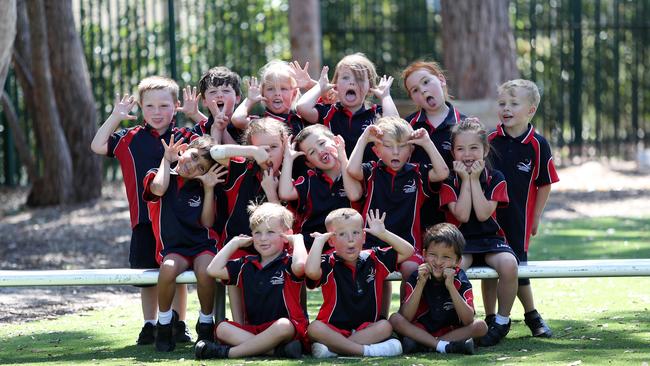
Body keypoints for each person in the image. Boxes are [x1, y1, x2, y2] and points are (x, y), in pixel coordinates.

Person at [90, 76, 213, 346]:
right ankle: (150, 324)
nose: (157, 112)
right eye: (150, 106)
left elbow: (212, 141)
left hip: (180, 222)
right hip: (145, 220)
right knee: (147, 275)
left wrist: (196, 114)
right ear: (141, 108)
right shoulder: (130, 138)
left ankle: (178, 322)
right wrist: (115, 116)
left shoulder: (186, 136)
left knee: (176, 274)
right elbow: (97, 145)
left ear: (176, 106)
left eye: (164, 106)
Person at [347, 116, 449, 314]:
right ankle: (378, 318)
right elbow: (352, 169)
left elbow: (443, 172)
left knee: (412, 270)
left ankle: (406, 318)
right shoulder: (372, 171)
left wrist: (427, 142)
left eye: (402, 146)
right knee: (371, 269)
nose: (396, 152)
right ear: (376, 150)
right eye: (388, 146)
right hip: (372, 244)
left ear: (411, 150)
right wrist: (364, 138)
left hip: (407, 246)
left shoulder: (417, 173)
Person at [486, 79, 560, 338]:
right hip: (488, 218)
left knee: (518, 270)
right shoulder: (490, 140)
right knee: (488, 270)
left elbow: (545, 184)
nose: (506, 108)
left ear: (531, 110)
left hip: (519, 220)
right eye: (502, 103)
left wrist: (536, 217)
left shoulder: (538, 144)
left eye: (513, 104)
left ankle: (531, 315)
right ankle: (489, 319)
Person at [142, 135, 226, 352]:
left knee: (207, 270)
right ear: (186, 149)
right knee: (168, 270)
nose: (193, 165)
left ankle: (206, 323)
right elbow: (158, 190)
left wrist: (208, 189)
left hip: (201, 245)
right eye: (194, 156)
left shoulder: (203, 186)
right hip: (174, 248)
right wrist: (167, 159)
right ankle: (164, 323)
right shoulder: (160, 176)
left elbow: (207, 223)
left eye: (201, 167)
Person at [439, 117, 518, 347]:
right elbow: (462, 216)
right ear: (453, 153)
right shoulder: (448, 181)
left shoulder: (496, 178)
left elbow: (483, 214)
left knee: (509, 265)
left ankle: (501, 321)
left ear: (485, 150)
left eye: (474, 148)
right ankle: (463, 322)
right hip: (460, 242)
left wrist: (474, 180)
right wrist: (465, 180)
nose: (467, 154)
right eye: (460, 149)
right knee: (453, 270)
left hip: (490, 239)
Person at [195, 202, 308, 360]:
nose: (263, 238)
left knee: (284, 326)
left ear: (286, 235)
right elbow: (212, 270)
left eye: (270, 232)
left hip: (287, 331)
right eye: (257, 233)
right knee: (221, 328)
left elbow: (301, 265)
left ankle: (227, 353)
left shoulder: (289, 263)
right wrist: (233, 243)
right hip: (253, 330)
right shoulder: (245, 264)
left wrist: (297, 240)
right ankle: (276, 351)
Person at [208, 117, 289, 323]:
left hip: (276, 244)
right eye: (260, 148)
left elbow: (286, 228)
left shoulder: (290, 174)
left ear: (285, 145)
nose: (267, 153)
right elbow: (213, 152)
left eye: (273, 147)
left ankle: (287, 321)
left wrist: (271, 192)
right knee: (236, 259)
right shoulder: (239, 168)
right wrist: (252, 153)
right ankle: (240, 323)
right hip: (240, 241)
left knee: (288, 260)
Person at [305, 208, 414, 358]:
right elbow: (311, 272)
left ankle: (335, 350)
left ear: (364, 237)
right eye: (342, 234)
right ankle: (367, 351)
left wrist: (383, 233)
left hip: (367, 329)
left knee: (385, 326)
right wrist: (318, 242)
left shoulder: (375, 258)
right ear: (331, 240)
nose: (350, 239)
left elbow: (408, 251)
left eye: (356, 233)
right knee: (314, 328)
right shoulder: (327, 263)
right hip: (333, 328)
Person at [389, 223, 488, 355]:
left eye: (446, 257)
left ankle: (426, 345)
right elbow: (406, 316)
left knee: (481, 326)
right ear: (424, 254)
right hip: (421, 329)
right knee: (395, 319)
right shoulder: (417, 275)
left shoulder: (460, 278)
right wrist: (420, 284)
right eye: (433, 254)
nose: (438, 262)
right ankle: (445, 346)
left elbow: (468, 320)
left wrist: (451, 286)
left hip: (451, 331)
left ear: (457, 261)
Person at [296, 53, 399, 160]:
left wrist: (385, 96)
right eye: (345, 77)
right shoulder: (328, 112)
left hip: (369, 174)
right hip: (336, 174)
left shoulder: (376, 114)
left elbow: (395, 126)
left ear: (370, 87)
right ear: (335, 85)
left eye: (359, 79)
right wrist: (320, 87)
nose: (352, 82)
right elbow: (302, 107)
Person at [402, 60, 466, 228]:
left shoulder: (465, 125)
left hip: (456, 212)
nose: (422, 90)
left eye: (426, 81)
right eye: (415, 90)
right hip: (418, 211)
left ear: (441, 80)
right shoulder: (408, 127)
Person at [278, 124, 363, 250]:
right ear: (309, 163)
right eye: (312, 152)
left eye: (322, 143)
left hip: (347, 246)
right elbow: (285, 193)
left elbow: (355, 195)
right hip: (313, 245)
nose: (320, 151)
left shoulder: (355, 171)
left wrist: (342, 155)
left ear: (336, 141)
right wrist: (288, 159)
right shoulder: (310, 179)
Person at [231, 60, 316, 136]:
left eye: (283, 89)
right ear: (262, 93)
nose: (277, 94)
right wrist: (250, 100)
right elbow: (237, 119)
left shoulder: (304, 118)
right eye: (270, 89)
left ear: (294, 94)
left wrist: (309, 84)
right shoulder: (261, 123)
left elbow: (328, 97)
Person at [197, 66, 243, 144]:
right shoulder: (199, 130)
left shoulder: (246, 126)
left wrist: (250, 101)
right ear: (204, 101)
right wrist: (217, 128)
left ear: (237, 98)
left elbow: (246, 155)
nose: (219, 95)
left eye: (226, 91)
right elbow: (208, 155)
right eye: (213, 92)